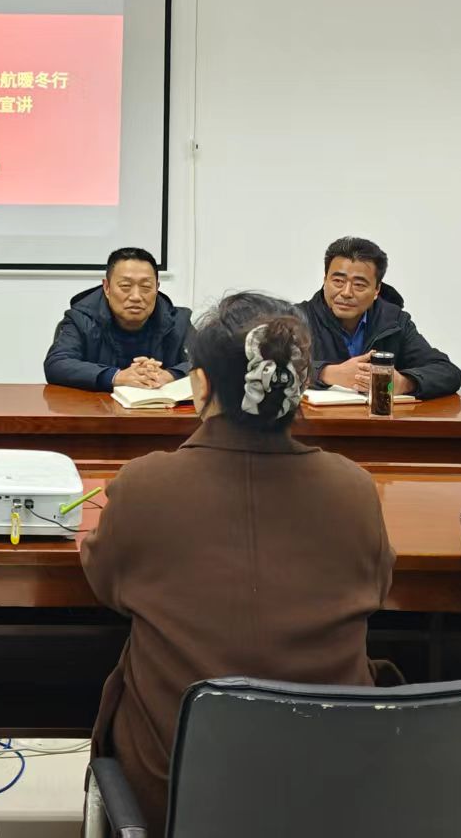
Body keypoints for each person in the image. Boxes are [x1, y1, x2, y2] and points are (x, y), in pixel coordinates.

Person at [82, 291, 395, 835]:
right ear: (300, 386)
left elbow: (106, 582)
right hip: (329, 793)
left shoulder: (146, 484)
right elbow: (379, 585)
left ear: (200, 385)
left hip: (176, 796)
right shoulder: (354, 489)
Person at [299, 236, 461, 399]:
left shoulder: (393, 321)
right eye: (338, 281)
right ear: (325, 280)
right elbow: (282, 369)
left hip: (378, 414)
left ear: (377, 289)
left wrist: (403, 383)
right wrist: (327, 373)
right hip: (318, 415)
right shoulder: (296, 319)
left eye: (359, 285)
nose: (346, 292)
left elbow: (448, 372)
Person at [44, 247, 191, 391]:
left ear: (157, 288)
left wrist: (169, 375)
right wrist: (116, 377)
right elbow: (57, 364)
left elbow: (202, 362)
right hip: (98, 406)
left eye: (146, 286)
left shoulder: (179, 322)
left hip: (159, 406)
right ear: (107, 288)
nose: (136, 297)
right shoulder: (81, 319)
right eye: (125, 286)